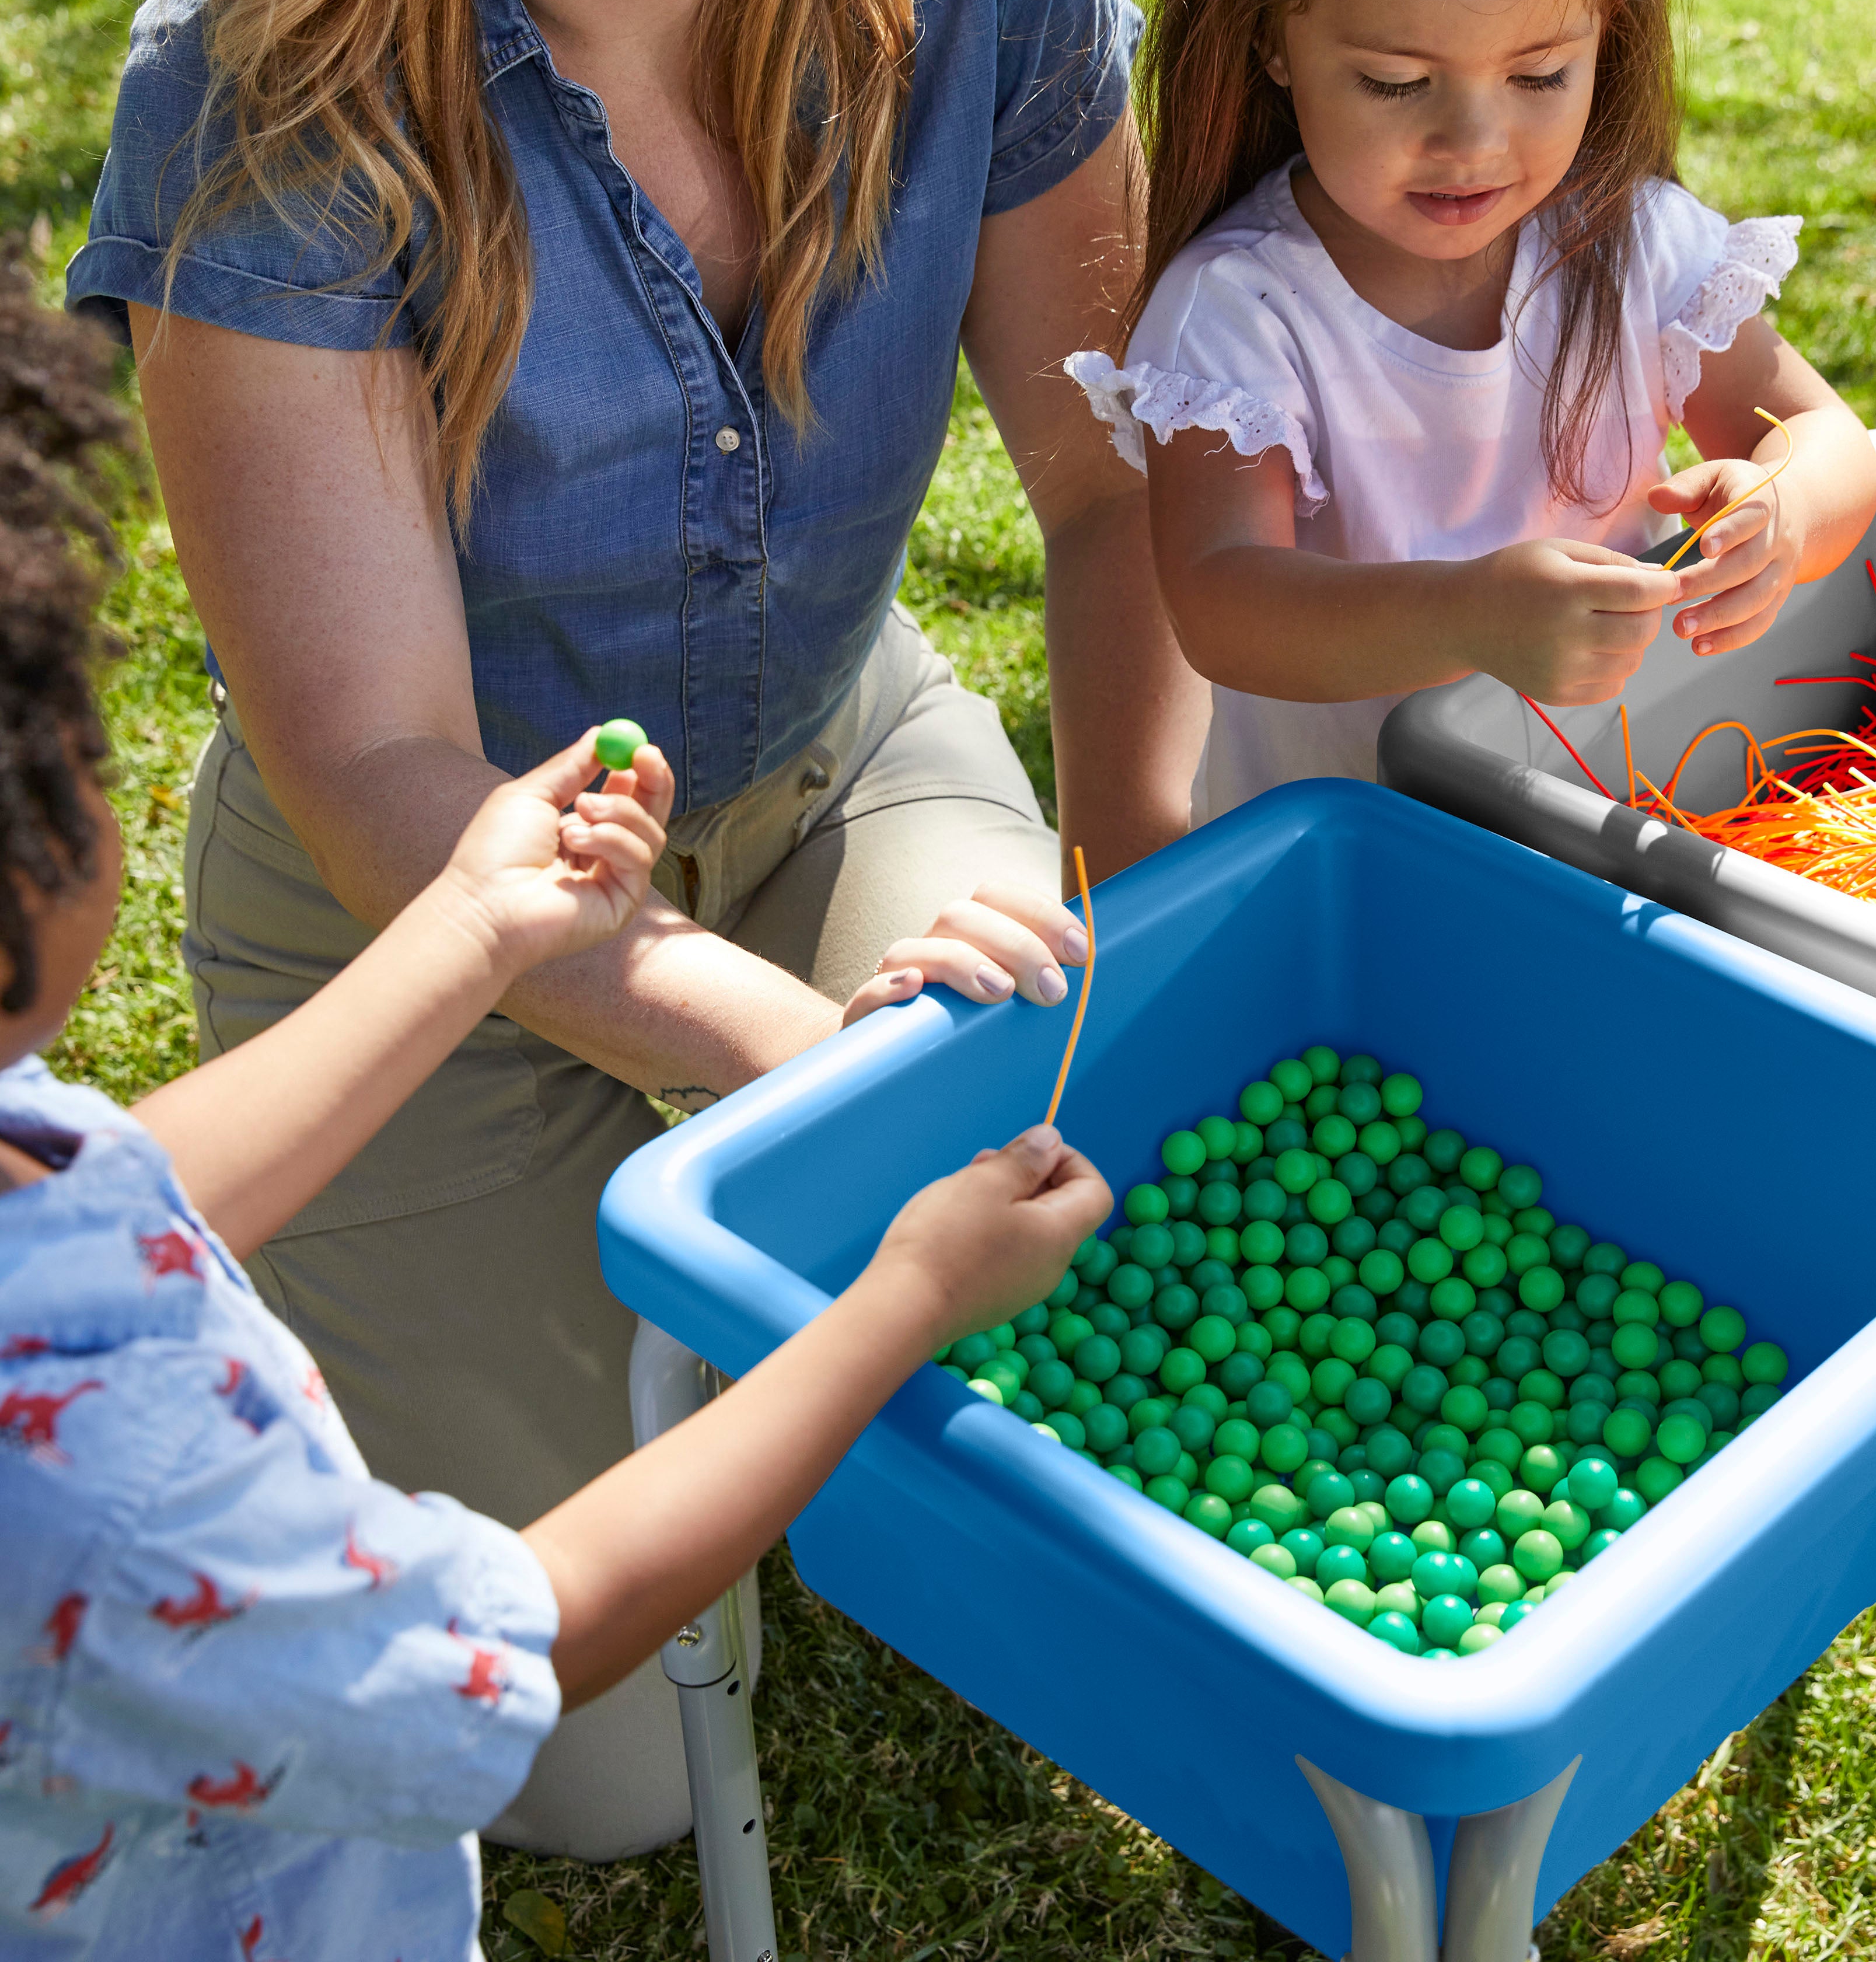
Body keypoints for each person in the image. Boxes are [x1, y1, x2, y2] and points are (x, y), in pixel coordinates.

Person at [65, 0, 1204, 1852]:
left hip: (828, 770)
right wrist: (809, 1057)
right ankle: (540, 1290)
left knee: (1067, 1257)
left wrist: (1137, 897)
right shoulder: (255, 80)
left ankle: (740, 1299)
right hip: (419, 926)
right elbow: (389, 769)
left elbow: (1111, 489)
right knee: (594, 1787)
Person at [0, 254, 1115, 1956]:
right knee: (615, 1768)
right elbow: (519, 1632)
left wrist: (465, 925)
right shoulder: (126, 1490)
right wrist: (904, 1301)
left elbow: (122, 1193)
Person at [1069, 0, 1876, 824]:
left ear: (1607, 31)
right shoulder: (1244, 310)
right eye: (1396, 82)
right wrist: (1464, 614)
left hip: (1611, 826)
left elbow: (1821, 433)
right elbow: (1221, 601)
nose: (1473, 139)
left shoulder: (1629, 246)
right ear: (1272, 41)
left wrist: (1781, 511)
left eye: (1539, 73)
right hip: (1356, 868)